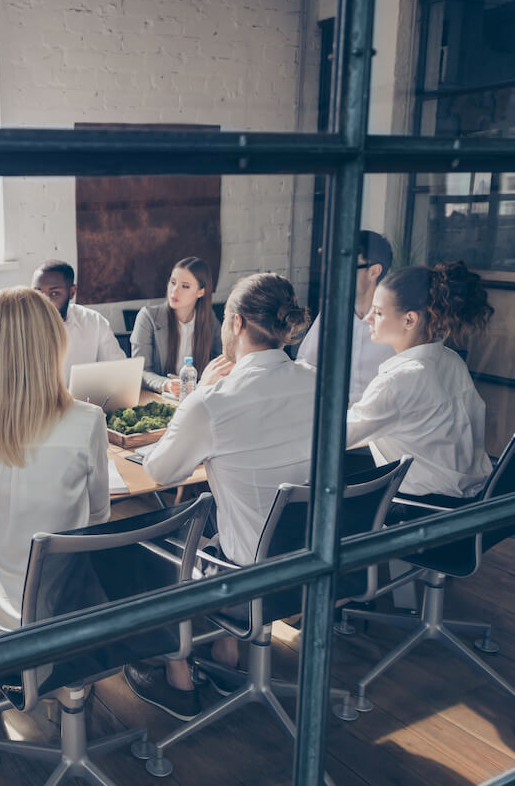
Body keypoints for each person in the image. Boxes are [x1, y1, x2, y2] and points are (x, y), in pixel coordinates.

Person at [126, 273, 314, 721]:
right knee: (223, 512)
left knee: (149, 524)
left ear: (236, 323)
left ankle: (179, 678)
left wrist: (201, 395)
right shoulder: (315, 380)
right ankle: (225, 654)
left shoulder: (214, 401)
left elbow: (161, 471)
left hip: (250, 571)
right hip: (312, 560)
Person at [0, 287, 111, 639]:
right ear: (54, 344)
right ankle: (71, 686)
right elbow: (100, 515)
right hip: (63, 612)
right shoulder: (88, 420)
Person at [346, 262, 495, 499]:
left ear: (409, 320)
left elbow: (338, 437)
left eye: (379, 312)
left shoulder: (399, 380)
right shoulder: (451, 360)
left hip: (424, 510)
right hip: (470, 497)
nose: (368, 319)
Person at [296, 230, 396, 404]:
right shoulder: (332, 314)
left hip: (380, 423)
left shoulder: (397, 324)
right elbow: (305, 365)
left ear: (374, 271)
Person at [131, 257, 222, 396]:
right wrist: (165, 384)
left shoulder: (210, 320)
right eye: (173, 282)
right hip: (160, 398)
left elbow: (220, 362)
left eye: (185, 286)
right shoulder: (148, 317)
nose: (174, 291)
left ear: (200, 292)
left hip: (197, 396)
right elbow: (140, 371)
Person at [30, 259, 125, 384]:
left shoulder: (94, 322)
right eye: (38, 293)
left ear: (72, 292)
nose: (45, 301)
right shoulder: (18, 327)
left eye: (54, 293)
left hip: (85, 401)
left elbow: (120, 371)